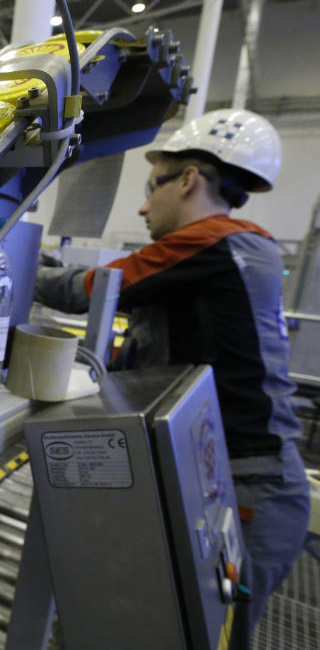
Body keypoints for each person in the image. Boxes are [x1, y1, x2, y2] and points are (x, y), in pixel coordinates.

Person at [34, 108, 310, 634]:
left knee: (209, 633)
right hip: (233, 476)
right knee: (181, 627)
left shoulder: (214, 240)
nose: (142, 206)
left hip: (246, 487)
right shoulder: (232, 250)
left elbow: (90, 290)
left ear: (188, 180)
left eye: (150, 186)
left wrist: (12, 260)